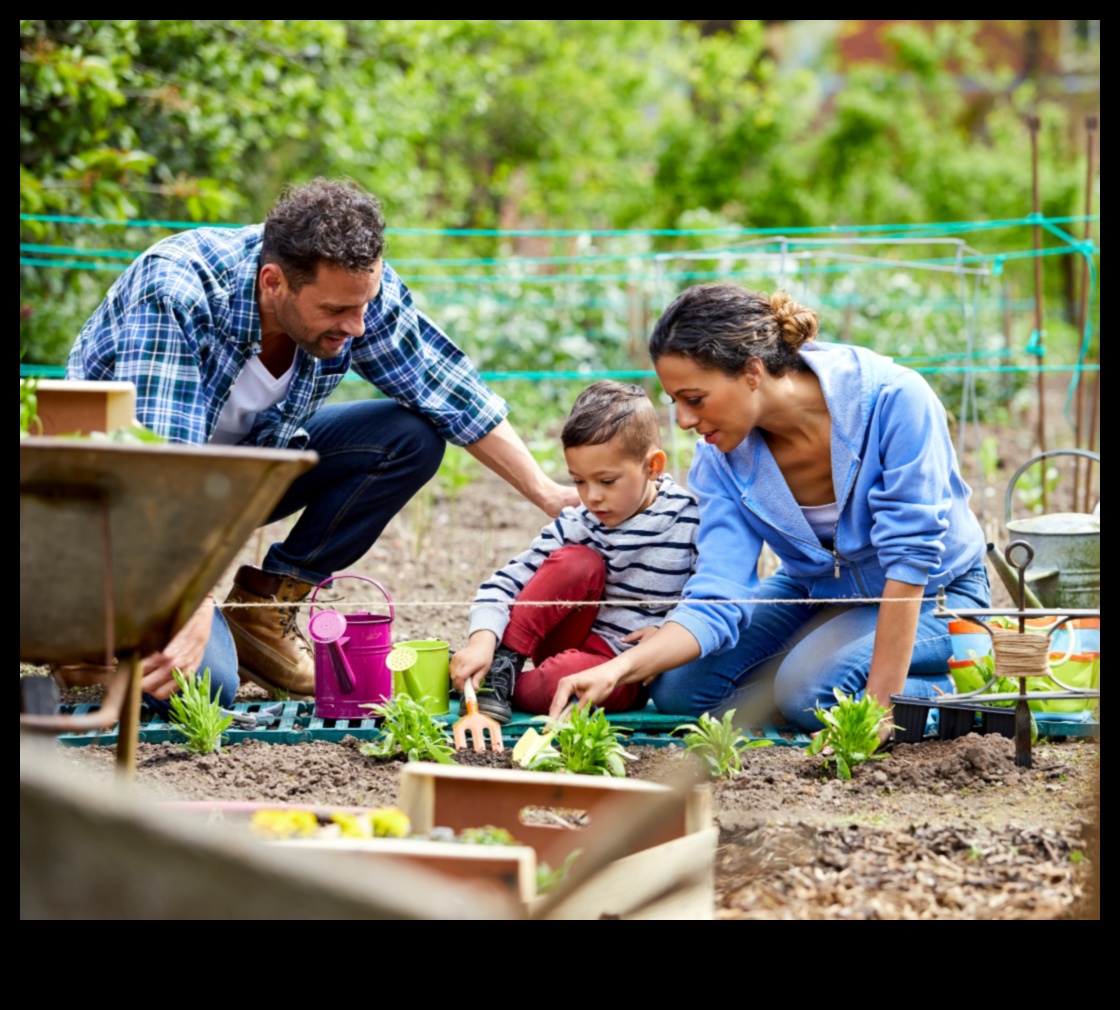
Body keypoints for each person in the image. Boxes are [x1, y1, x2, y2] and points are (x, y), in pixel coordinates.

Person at [65, 179, 576, 708]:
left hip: (233, 480)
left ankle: (261, 614)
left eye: (364, 305)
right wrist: (191, 605)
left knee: (409, 438)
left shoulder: (354, 291)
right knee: (204, 684)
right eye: (336, 311)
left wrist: (547, 493)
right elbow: (156, 470)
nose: (356, 326)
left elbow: (447, 389)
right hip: (112, 511)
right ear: (273, 283)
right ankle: (82, 628)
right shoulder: (176, 290)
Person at [547, 286, 991, 735]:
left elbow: (910, 560)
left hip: (938, 595)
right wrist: (620, 669)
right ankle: (810, 672)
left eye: (694, 399)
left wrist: (878, 710)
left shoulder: (893, 400)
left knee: (811, 694)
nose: (681, 420)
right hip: (815, 592)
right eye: (674, 401)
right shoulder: (720, 456)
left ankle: (972, 685)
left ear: (753, 372)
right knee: (679, 690)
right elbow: (720, 588)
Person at [450, 381, 700, 722]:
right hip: (564, 636)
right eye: (579, 481)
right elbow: (504, 584)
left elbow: (707, 599)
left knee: (561, 680)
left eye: (606, 481)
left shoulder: (690, 521)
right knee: (577, 561)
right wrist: (483, 640)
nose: (591, 496)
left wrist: (669, 631)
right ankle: (498, 667)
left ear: (652, 466)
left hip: (622, 669)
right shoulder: (580, 522)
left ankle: (484, 683)